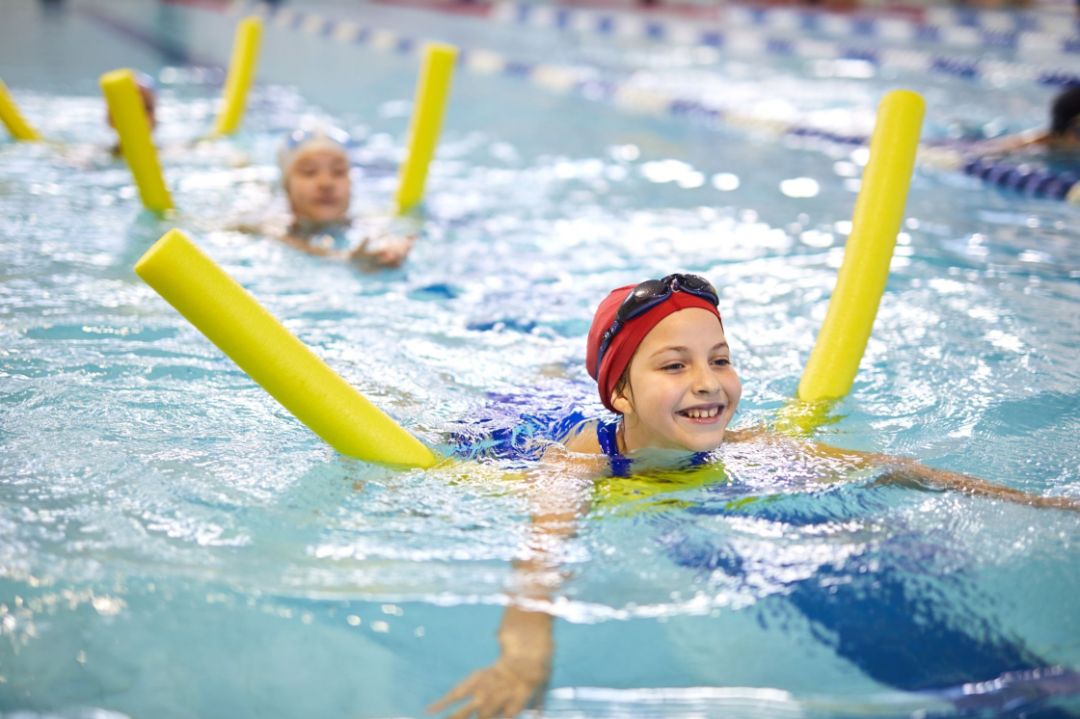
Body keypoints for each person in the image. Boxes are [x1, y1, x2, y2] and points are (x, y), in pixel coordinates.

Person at [429, 273, 1080, 719]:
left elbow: (891, 468)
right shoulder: (580, 460)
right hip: (505, 427)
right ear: (620, 394)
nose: (708, 383)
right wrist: (524, 656)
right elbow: (541, 554)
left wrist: (1036, 501)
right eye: (675, 365)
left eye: (720, 359)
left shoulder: (743, 442)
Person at [271, 126, 415, 267]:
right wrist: (345, 259)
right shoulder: (270, 224)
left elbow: (391, 232)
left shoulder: (370, 220)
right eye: (309, 171)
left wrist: (392, 247)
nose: (326, 183)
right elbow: (287, 241)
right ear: (286, 186)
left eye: (338, 171)